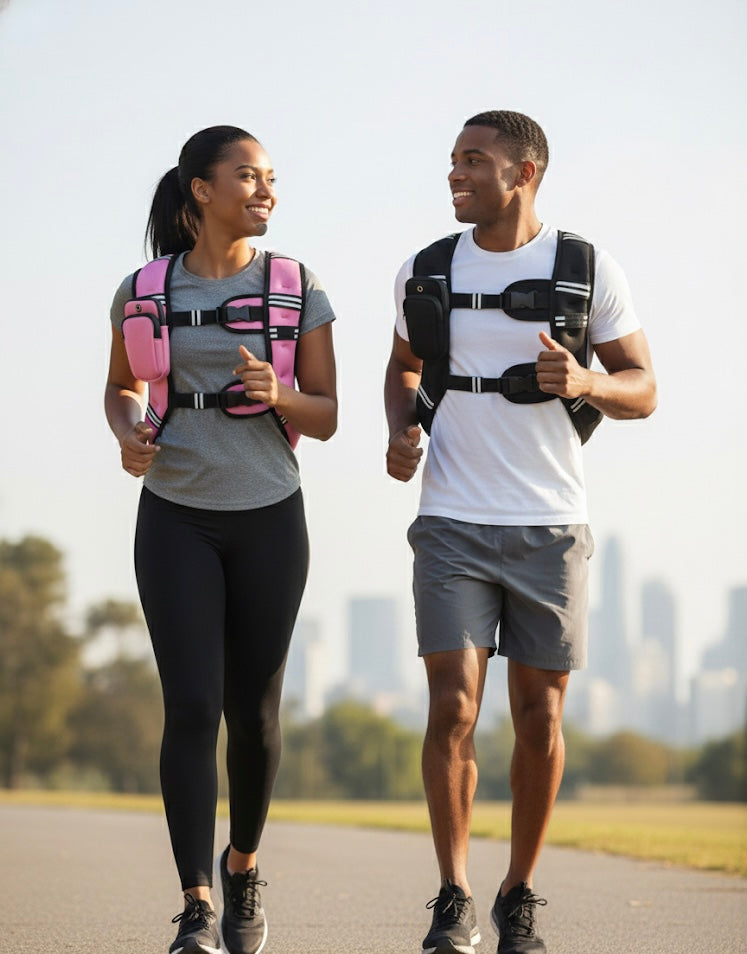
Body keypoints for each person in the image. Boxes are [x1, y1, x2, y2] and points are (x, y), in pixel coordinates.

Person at [385, 110, 656, 954]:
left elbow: (642, 386)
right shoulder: (425, 269)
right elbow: (403, 367)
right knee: (452, 708)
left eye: (475, 160)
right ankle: (453, 894)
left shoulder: (585, 267)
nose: (455, 173)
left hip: (550, 526)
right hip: (451, 521)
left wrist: (582, 378)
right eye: (453, 160)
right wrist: (401, 429)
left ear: (525, 171)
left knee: (539, 718)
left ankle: (519, 894)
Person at [105, 125, 337, 954]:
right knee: (193, 705)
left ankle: (241, 865)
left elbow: (329, 414)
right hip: (174, 514)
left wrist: (278, 392)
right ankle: (196, 903)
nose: (266, 189)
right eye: (248, 175)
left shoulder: (296, 285)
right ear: (201, 190)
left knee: (254, 711)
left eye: (271, 177)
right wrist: (128, 434)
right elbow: (121, 390)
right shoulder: (142, 287)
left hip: (270, 513)